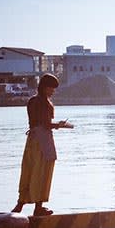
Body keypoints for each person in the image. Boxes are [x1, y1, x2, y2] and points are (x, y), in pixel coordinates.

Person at [11, 74, 73, 216]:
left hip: (32, 140)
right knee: (42, 172)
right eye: (51, 88)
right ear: (44, 87)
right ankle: (38, 207)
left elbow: (36, 122)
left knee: (29, 171)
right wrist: (59, 125)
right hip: (43, 140)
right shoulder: (44, 103)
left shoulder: (32, 101)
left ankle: (20, 204)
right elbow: (45, 124)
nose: (53, 91)